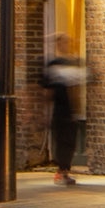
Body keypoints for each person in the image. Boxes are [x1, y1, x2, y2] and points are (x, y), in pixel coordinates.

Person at [41, 52, 86, 186]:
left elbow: (75, 93)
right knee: (63, 141)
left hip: (70, 113)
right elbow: (48, 93)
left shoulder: (71, 71)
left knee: (69, 142)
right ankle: (61, 172)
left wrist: (77, 111)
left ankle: (64, 171)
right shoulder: (54, 68)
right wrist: (45, 114)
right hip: (60, 113)